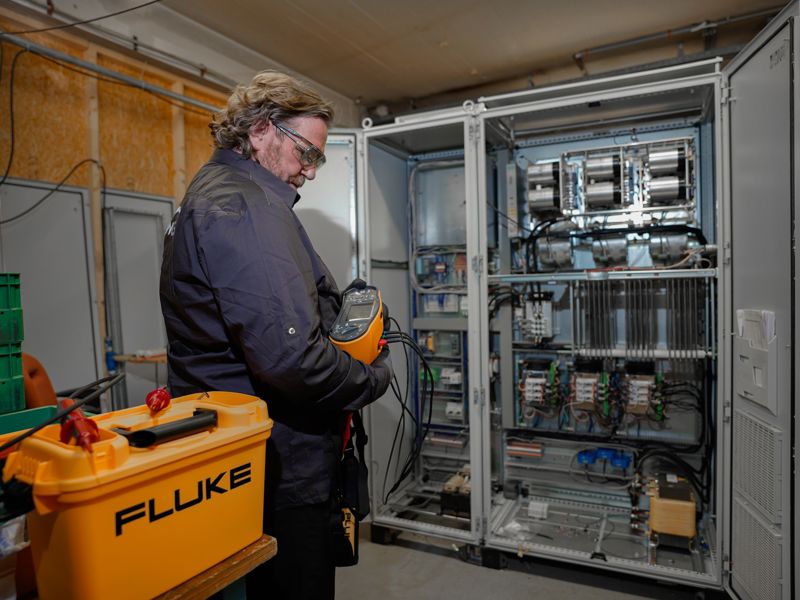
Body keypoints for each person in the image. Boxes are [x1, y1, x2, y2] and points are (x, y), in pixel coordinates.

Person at [159, 70, 393, 599]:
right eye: (305, 153)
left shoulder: (210, 192)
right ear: (261, 129)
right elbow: (293, 360)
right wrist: (370, 378)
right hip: (281, 464)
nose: (309, 171)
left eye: (318, 160)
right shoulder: (247, 207)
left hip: (237, 455)